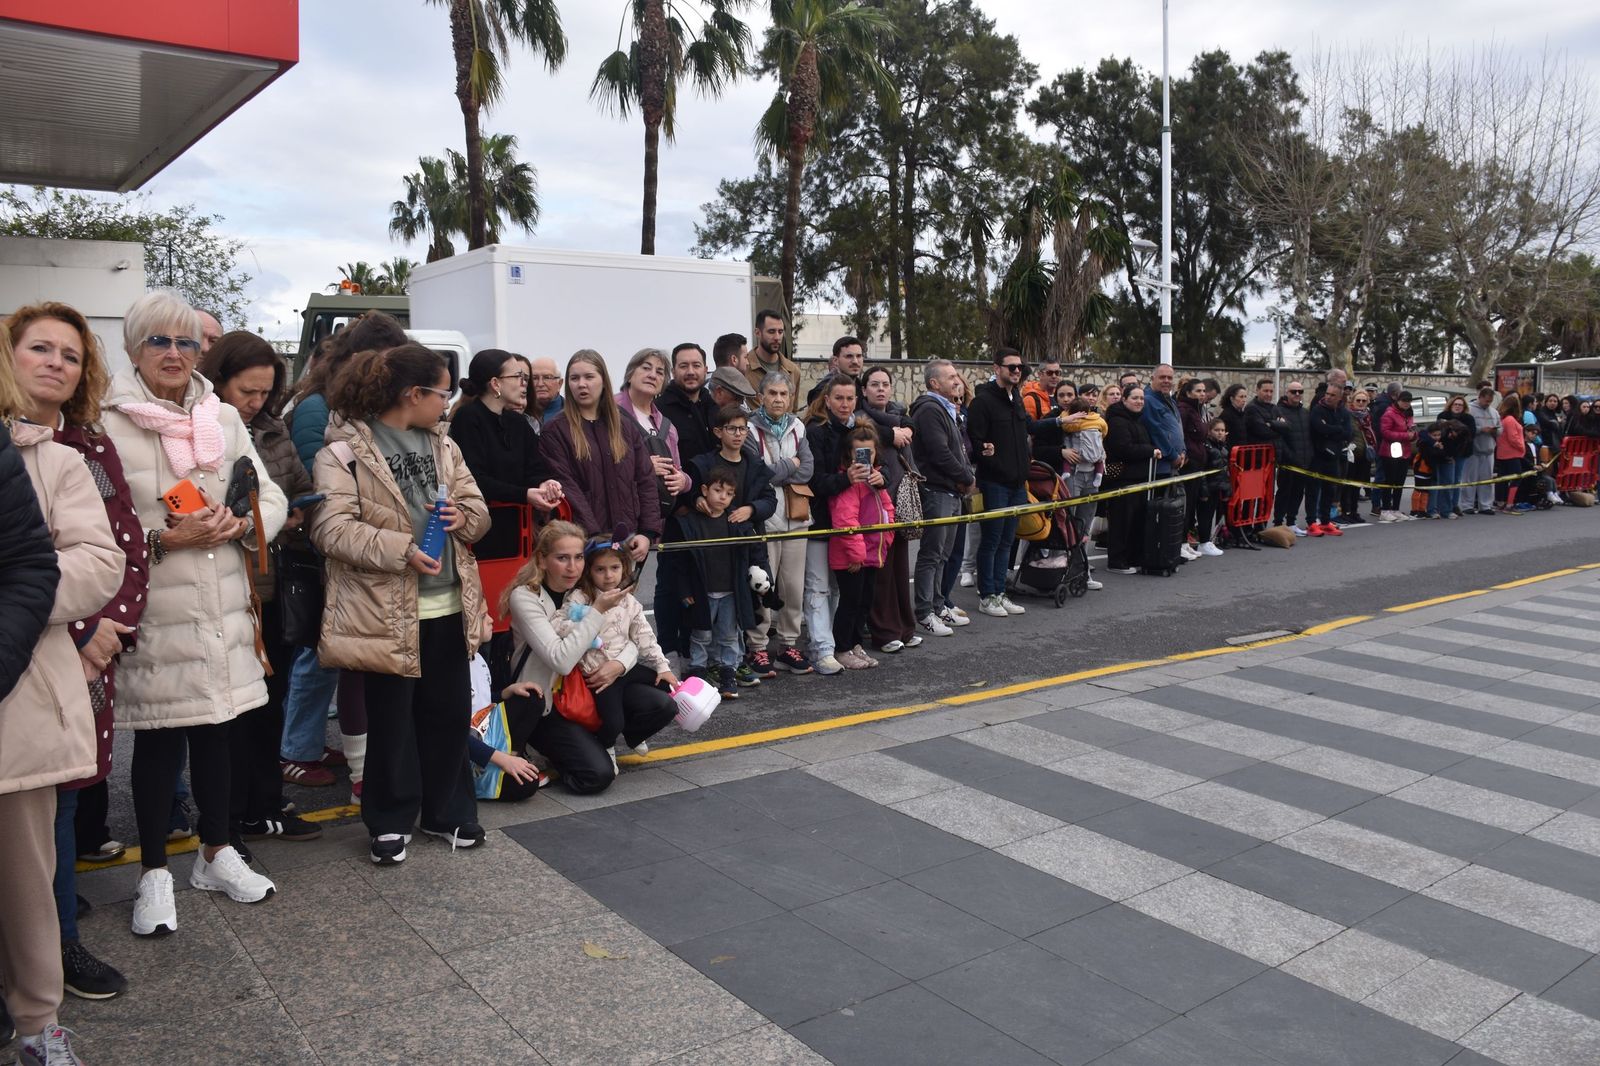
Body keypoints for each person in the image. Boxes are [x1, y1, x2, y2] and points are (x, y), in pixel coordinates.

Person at [102, 291, 286, 934]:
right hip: (155, 605)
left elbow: (268, 494)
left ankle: (217, 851)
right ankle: (154, 872)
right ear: (133, 349)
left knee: (218, 734)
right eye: (160, 342)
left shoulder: (220, 416)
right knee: (157, 741)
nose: (175, 354)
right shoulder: (108, 422)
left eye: (187, 342)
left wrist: (243, 519)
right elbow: (94, 522)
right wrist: (160, 539)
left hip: (222, 603)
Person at [5, 303, 141, 1008]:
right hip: (54, 643)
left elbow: (116, 550)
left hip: (77, 655)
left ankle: (56, 948)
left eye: (71, 353)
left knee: (56, 807)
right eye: (40, 348)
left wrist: (102, 629)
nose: (56, 363)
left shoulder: (87, 446)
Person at [311, 343, 491, 864]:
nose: (448, 402)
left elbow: (477, 510)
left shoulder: (444, 445)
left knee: (448, 715)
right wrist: (402, 550)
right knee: (391, 723)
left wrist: (465, 518)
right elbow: (331, 528)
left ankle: (449, 813)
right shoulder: (341, 451)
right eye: (444, 392)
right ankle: (389, 820)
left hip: (451, 606)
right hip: (383, 612)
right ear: (414, 394)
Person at [196, 333, 325, 854]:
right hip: (219, 584)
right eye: (247, 391)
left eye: (264, 392)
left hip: (271, 584)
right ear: (219, 381)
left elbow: (296, 486)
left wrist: (292, 514)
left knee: (269, 702)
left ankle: (266, 804)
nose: (255, 402)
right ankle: (226, 819)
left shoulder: (272, 429)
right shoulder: (200, 430)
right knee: (225, 716)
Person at [283, 312, 408, 794]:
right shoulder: (319, 407)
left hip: (351, 548)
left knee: (336, 657)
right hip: (322, 550)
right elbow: (321, 485)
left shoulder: (339, 404)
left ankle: (310, 742)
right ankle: (296, 750)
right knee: (320, 656)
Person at [506, 521, 651, 791]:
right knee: (598, 776)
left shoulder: (589, 587)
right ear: (542, 559)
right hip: (547, 703)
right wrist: (597, 610)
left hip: (587, 687)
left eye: (579, 557)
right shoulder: (525, 597)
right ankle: (547, 750)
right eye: (562, 558)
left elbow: (630, 635)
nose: (572, 567)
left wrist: (619, 664)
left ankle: (593, 739)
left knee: (658, 697)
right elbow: (561, 659)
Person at [557, 534, 679, 763]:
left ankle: (634, 734)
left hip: (624, 669)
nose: (608, 575)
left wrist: (662, 666)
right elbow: (560, 626)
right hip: (597, 674)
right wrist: (584, 620)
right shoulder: (579, 597)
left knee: (666, 687)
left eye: (615, 568)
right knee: (613, 721)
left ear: (625, 568)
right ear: (589, 571)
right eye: (600, 570)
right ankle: (606, 745)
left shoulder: (629, 600)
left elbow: (644, 635)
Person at [685, 404, 778, 684]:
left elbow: (769, 499)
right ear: (718, 432)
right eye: (732, 428)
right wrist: (695, 500)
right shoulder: (705, 463)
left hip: (744, 545)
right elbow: (688, 490)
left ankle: (735, 661)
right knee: (708, 611)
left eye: (742, 428)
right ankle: (710, 664)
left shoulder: (754, 463)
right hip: (711, 543)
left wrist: (751, 509)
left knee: (740, 605)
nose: (738, 434)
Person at [541, 351, 661, 558]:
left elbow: (645, 480)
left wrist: (647, 533)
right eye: (574, 378)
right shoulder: (556, 430)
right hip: (582, 544)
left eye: (589, 377)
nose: (581, 384)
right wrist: (597, 539)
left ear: (603, 381)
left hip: (627, 541)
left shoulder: (624, 426)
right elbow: (566, 486)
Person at [448, 349, 565, 560]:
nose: (524, 383)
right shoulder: (467, 419)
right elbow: (475, 478)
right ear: (495, 384)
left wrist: (546, 484)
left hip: (520, 535)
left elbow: (535, 467)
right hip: (482, 535)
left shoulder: (517, 422)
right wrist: (524, 494)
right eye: (517, 376)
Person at [661, 466, 765, 697]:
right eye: (718, 490)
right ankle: (697, 671)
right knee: (701, 634)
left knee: (728, 634)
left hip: (730, 591)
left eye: (728, 494)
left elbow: (755, 550)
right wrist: (685, 589)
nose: (722, 497)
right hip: (701, 590)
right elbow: (681, 563)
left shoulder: (737, 522)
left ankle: (729, 673)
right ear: (705, 490)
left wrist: (759, 576)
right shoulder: (690, 522)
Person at [747, 372, 815, 673]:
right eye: (772, 393)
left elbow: (808, 469)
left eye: (783, 394)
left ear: (790, 398)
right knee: (762, 587)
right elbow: (759, 474)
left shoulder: (798, 426)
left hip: (796, 518)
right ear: (761, 396)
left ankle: (789, 645)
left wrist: (780, 470)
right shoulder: (749, 428)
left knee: (793, 588)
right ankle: (757, 648)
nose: (777, 399)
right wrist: (790, 465)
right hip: (766, 521)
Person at [803, 375, 866, 675]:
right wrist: (846, 478)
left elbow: (880, 469)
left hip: (853, 524)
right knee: (817, 588)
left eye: (849, 398)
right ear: (827, 401)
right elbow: (813, 481)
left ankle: (842, 643)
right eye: (838, 398)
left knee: (840, 589)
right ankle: (822, 649)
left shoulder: (863, 431)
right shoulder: (814, 434)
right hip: (820, 522)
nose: (844, 404)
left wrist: (881, 479)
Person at [911, 360, 976, 637]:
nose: (957, 381)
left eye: (956, 377)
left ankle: (938, 605)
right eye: (950, 377)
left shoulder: (947, 409)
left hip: (951, 491)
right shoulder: (929, 409)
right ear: (934, 383)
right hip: (938, 491)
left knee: (944, 554)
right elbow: (940, 453)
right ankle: (924, 612)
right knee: (931, 554)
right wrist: (966, 477)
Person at [968, 348, 1032, 618]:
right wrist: (992, 460)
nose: (1017, 371)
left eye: (1019, 367)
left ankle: (1000, 592)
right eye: (1011, 367)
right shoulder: (983, 402)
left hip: (1017, 484)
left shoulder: (1015, 398)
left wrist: (1061, 422)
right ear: (997, 369)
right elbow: (976, 443)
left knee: (1007, 540)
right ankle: (987, 595)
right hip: (995, 483)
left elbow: (1027, 428)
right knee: (992, 540)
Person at [860, 366, 920, 654]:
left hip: (900, 499)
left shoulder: (900, 416)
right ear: (864, 390)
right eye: (874, 384)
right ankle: (884, 632)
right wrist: (891, 433)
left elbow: (910, 421)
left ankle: (905, 628)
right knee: (880, 571)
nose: (880, 389)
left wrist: (904, 428)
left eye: (885, 384)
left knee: (899, 568)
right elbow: (866, 438)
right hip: (873, 501)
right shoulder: (861, 419)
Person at [828, 425, 895, 670]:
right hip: (852, 557)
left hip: (872, 553)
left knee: (865, 601)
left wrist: (885, 541)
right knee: (850, 601)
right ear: (849, 454)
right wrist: (856, 554)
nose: (864, 458)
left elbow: (888, 511)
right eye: (858, 453)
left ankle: (855, 644)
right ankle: (842, 647)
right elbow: (846, 521)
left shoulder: (876, 480)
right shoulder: (848, 482)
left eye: (869, 452)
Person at [618, 347, 693, 529]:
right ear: (629, 375)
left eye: (659, 372)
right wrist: (643, 466)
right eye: (646, 368)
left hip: (653, 523)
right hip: (618, 517)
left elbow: (678, 469)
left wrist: (683, 481)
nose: (652, 375)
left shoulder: (667, 427)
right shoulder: (608, 413)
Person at [1101, 386, 1159, 574]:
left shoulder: (1137, 421)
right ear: (1124, 400)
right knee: (1121, 522)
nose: (1139, 402)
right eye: (1135, 398)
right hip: (1122, 479)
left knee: (1134, 522)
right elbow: (1123, 448)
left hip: (1137, 478)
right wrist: (1149, 450)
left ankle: (1132, 557)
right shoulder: (1118, 422)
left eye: (1142, 398)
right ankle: (1117, 561)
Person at [657, 343, 717, 470]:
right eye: (684, 366)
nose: (690, 372)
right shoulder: (658, 411)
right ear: (673, 372)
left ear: (706, 370)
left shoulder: (715, 406)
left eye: (696, 365)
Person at [1306, 382, 1352, 536]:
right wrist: (1336, 429)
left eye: (1332, 395)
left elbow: (1348, 433)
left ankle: (1325, 521)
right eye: (1327, 394)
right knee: (1313, 490)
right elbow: (1319, 428)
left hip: (1334, 457)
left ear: (1339, 397)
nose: (1328, 397)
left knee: (1329, 490)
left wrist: (1331, 430)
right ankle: (1311, 522)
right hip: (1318, 456)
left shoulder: (1344, 412)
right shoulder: (1318, 410)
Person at [1271, 381, 1313, 534]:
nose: (1297, 394)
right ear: (1286, 393)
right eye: (1293, 391)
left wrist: (1309, 456)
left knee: (1298, 492)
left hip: (1304, 462)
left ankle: (1291, 522)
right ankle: (1278, 523)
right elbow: (1278, 438)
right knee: (1284, 492)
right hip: (1288, 463)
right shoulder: (1278, 411)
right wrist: (1288, 457)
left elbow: (1309, 437)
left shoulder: (1305, 412)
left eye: (1300, 391)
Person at [1375, 390, 1418, 522]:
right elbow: (1385, 433)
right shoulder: (1389, 413)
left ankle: (1395, 509)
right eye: (1404, 400)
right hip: (1390, 451)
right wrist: (1406, 436)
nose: (1406, 403)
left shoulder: (1409, 414)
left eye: (1408, 401)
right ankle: (1385, 509)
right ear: (1397, 400)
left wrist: (1414, 435)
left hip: (1404, 451)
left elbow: (1412, 431)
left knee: (1400, 481)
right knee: (1389, 481)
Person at [1463, 386, 1501, 515]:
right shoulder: (1469, 410)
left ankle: (1485, 505)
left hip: (1489, 450)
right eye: (1486, 401)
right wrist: (1480, 430)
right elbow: (1466, 428)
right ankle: (1467, 505)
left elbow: (1501, 428)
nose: (1488, 404)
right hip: (1473, 450)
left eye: (1490, 401)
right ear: (1480, 397)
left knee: (1487, 480)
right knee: (1469, 478)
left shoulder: (1494, 412)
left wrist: (1496, 431)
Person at [1341, 387, 1377, 524]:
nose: (1361, 403)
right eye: (1358, 400)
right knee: (1347, 485)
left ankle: (1354, 511)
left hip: (1364, 456)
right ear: (1353, 401)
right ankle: (1345, 511)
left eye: (1363, 400)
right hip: (1351, 455)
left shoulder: (1367, 416)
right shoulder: (1347, 415)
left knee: (1357, 485)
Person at [750, 310, 801, 399]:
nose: (777, 337)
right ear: (758, 333)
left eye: (780, 332)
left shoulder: (793, 371)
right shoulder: (744, 367)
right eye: (771, 331)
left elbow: (793, 411)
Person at [807, 336, 868, 406]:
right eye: (849, 356)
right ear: (835, 360)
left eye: (859, 356)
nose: (855, 361)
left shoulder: (861, 387)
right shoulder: (823, 390)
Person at [1494, 394, 1529, 514]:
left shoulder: (1503, 419)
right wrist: (1522, 447)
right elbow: (1513, 438)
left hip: (1503, 453)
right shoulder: (1510, 420)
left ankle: (1501, 501)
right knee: (1516, 477)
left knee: (1503, 478)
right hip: (1512, 453)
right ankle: (1509, 503)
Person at [528, 357, 564, 426]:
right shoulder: (520, 411)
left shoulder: (574, 413)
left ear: (560, 383)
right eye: (534, 378)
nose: (540, 384)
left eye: (547, 377)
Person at [1219, 384, 1248, 456]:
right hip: (1233, 454)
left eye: (1245, 397)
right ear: (1232, 399)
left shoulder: (1243, 414)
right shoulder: (1226, 415)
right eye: (1241, 397)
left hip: (1243, 453)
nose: (1244, 400)